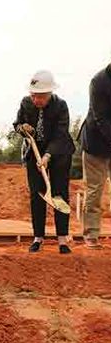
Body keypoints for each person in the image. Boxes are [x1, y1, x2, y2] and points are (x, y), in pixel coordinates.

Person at [13, 70, 75, 254]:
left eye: (40, 96)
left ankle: (62, 239)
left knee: (59, 193)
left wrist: (48, 156)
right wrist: (22, 128)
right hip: (34, 152)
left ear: (50, 93)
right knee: (37, 194)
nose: (36, 100)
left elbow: (60, 135)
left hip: (59, 153)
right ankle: (38, 237)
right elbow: (17, 124)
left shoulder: (61, 106)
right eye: (33, 95)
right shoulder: (25, 103)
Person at [79, 61, 111, 249]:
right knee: (94, 190)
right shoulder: (99, 82)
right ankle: (91, 234)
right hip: (96, 144)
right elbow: (100, 119)